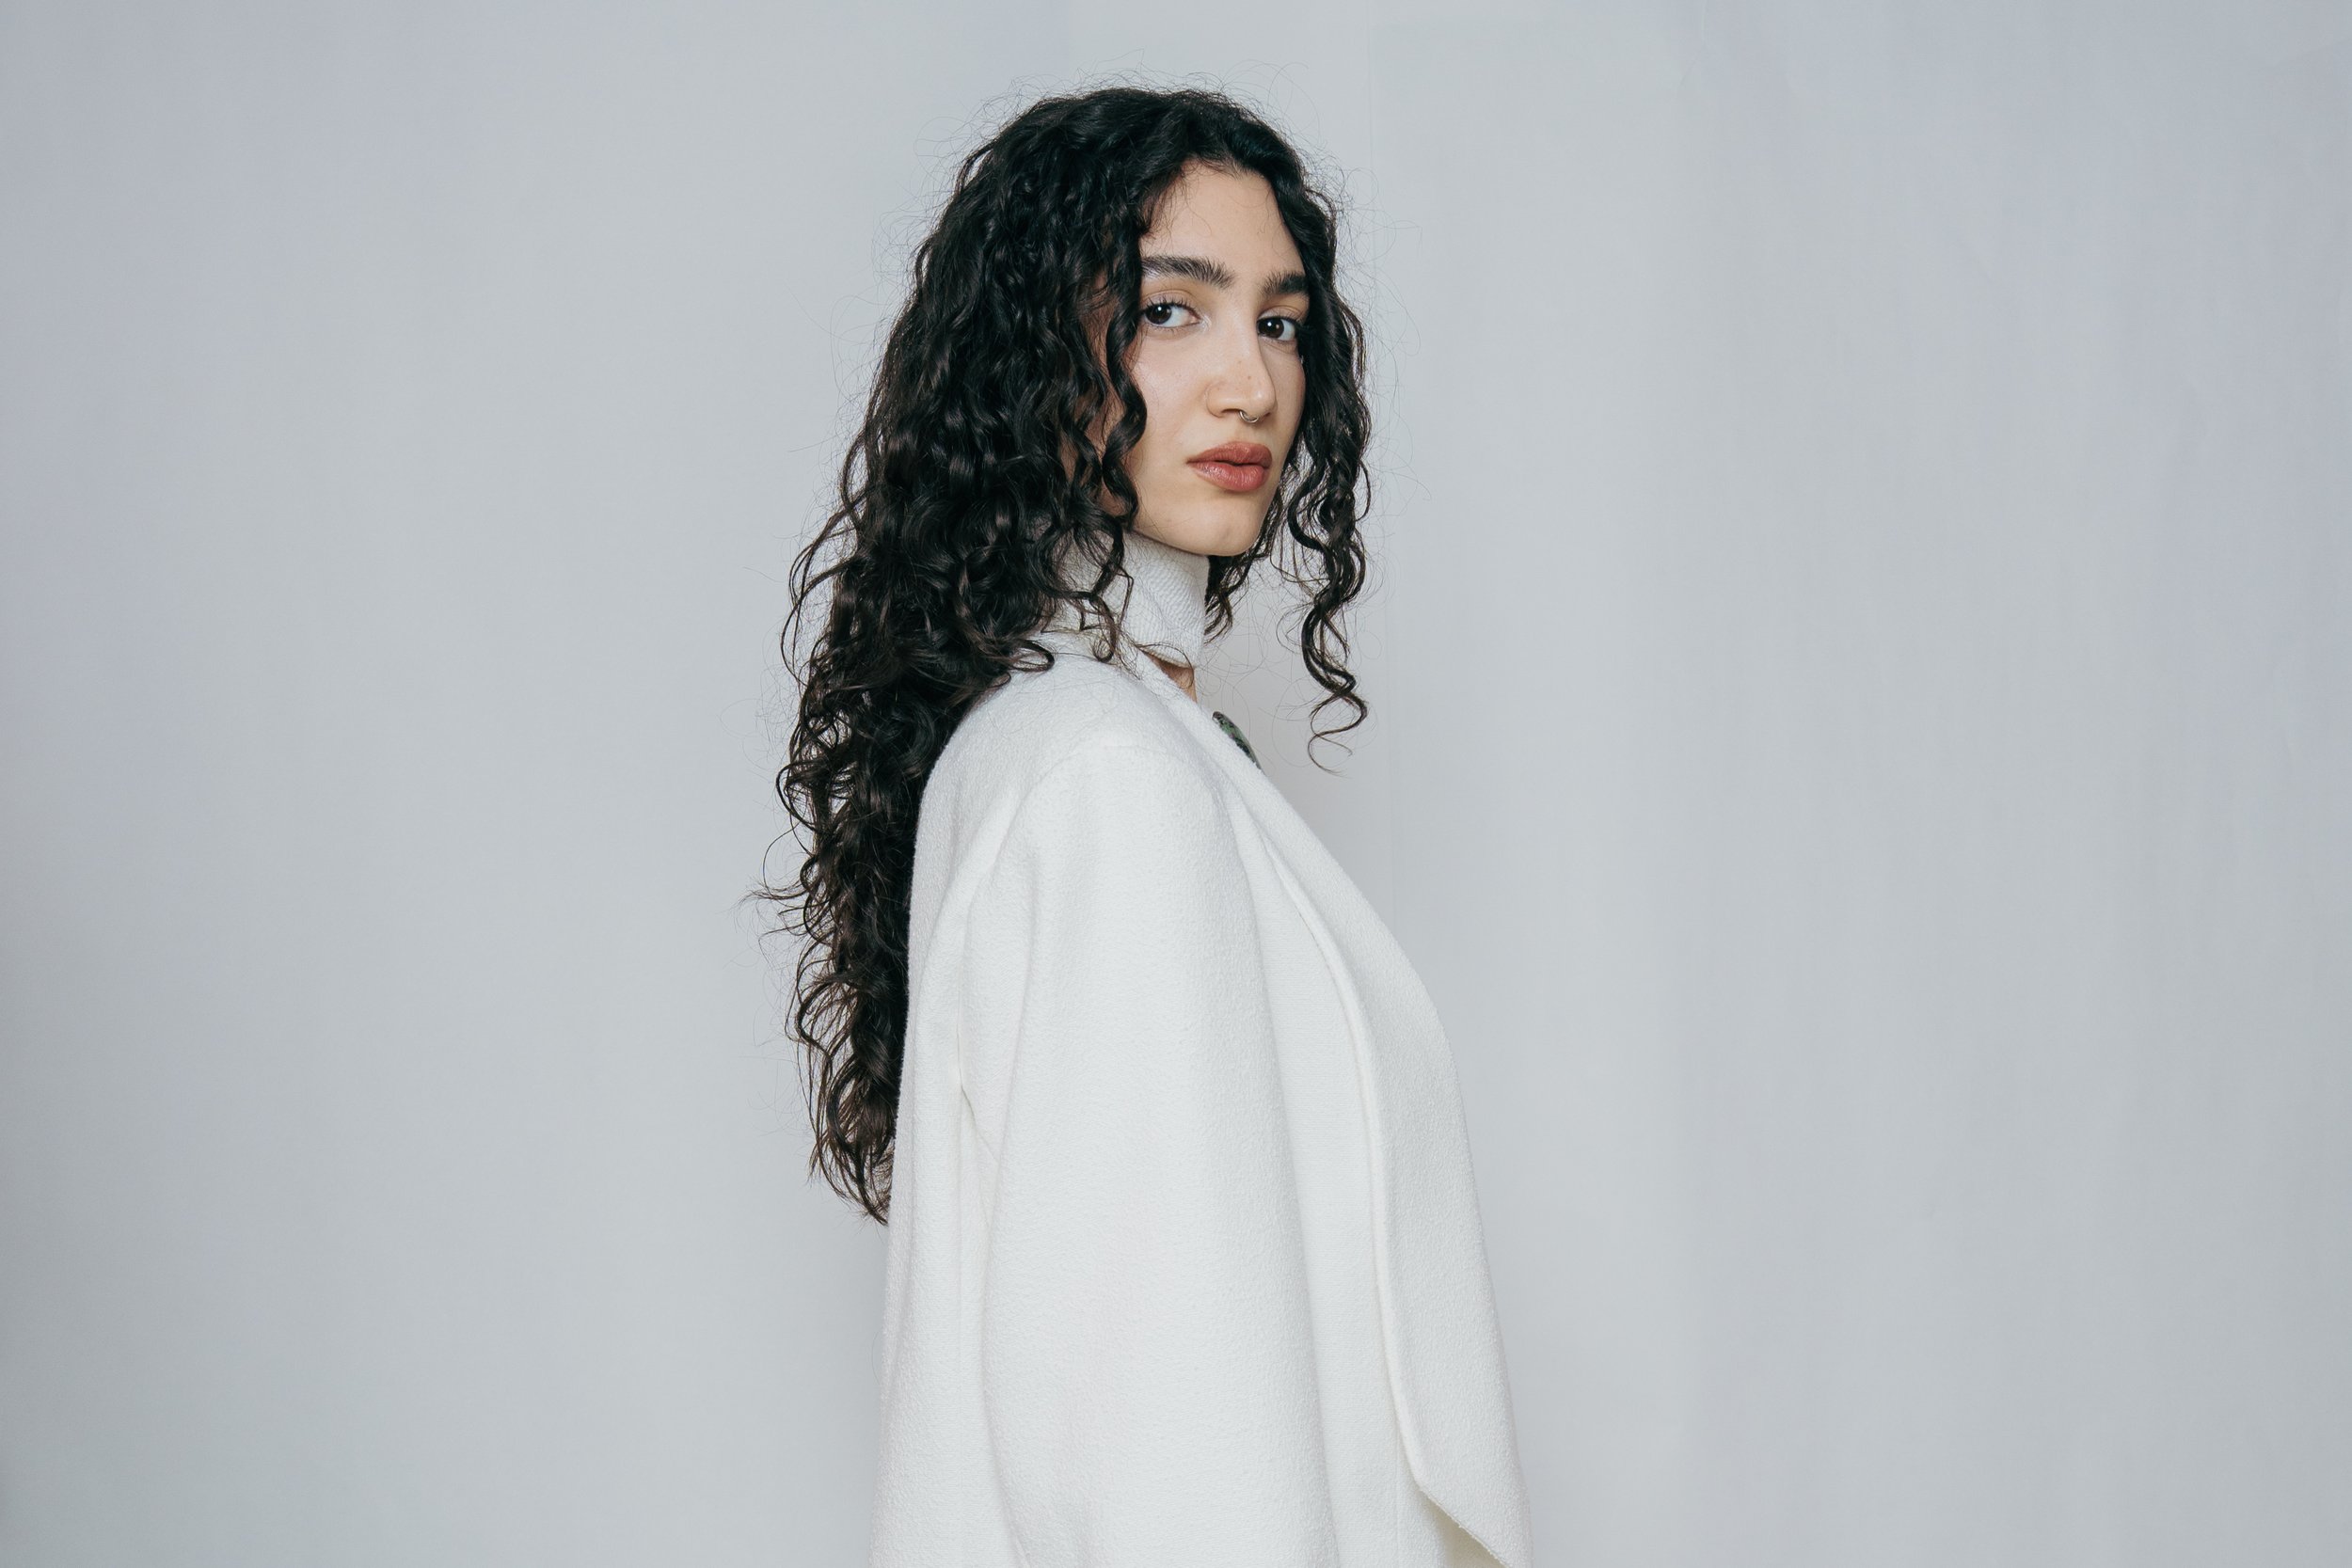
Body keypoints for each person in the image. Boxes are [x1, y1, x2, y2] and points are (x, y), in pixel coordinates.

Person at [764, 85, 1534, 1568]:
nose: (1249, 383)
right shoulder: (1104, 773)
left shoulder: (1082, 737)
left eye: (1282, 322)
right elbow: (1164, 1436)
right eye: (1172, 313)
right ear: (1036, 349)